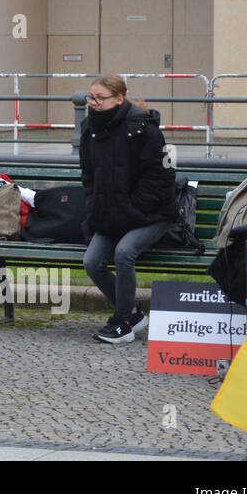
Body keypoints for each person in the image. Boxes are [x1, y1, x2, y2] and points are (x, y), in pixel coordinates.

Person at [80, 74, 181, 344]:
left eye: (100, 98)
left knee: (124, 253)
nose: (94, 103)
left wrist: (131, 210)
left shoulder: (144, 128)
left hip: (154, 214)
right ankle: (134, 314)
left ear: (119, 99)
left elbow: (161, 178)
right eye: (91, 97)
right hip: (114, 215)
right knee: (92, 261)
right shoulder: (90, 129)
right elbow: (89, 177)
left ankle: (123, 322)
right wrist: (95, 210)